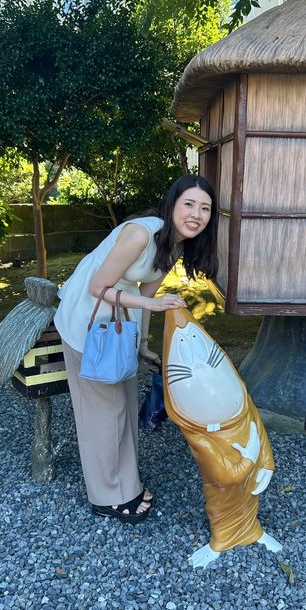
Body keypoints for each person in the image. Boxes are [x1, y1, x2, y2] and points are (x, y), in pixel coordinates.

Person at [54, 174, 218, 524]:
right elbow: (99, 286)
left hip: (118, 323)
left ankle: (126, 484)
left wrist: (142, 346)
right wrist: (150, 310)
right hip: (88, 318)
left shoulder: (173, 244)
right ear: (172, 204)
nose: (196, 214)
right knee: (103, 411)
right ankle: (105, 496)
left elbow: (146, 297)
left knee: (124, 405)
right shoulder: (141, 233)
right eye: (189, 204)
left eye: (205, 208)